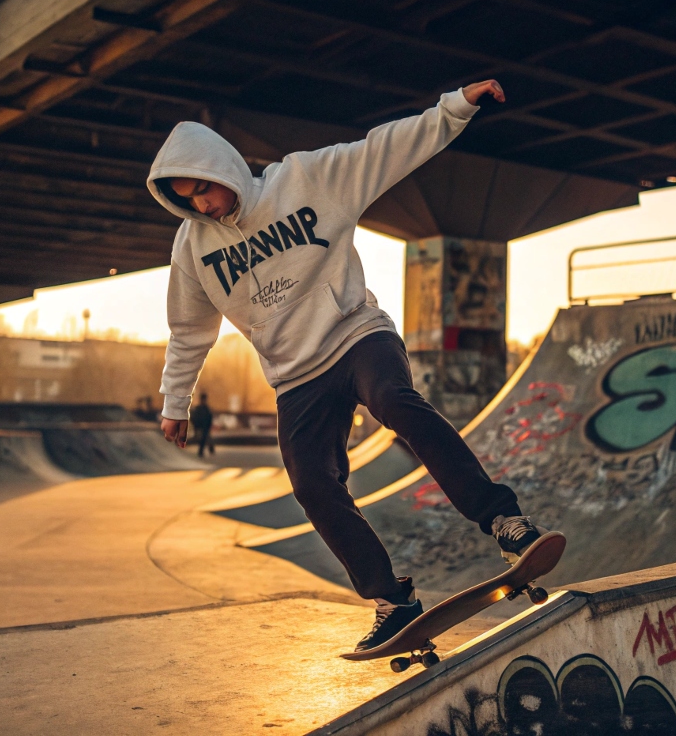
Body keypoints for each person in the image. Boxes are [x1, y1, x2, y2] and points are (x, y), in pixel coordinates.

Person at [150, 80, 546, 653]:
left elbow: (383, 150)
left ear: (223, 167)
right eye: (189, 200)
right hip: (295, 376)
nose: (203, 206)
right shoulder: (192, 248)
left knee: (392, 400)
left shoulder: (305, 180)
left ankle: (504, 522)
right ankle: (393, 599)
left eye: (205, 190)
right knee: (312, 483)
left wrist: (454, 107)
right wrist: (174, 401)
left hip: (357, 334)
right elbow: (190, 330)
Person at [189, 392, 216, 458]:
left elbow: (209, 417)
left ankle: (203, 451)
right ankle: (208, 450)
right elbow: (194, 417)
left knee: (205, 438)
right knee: (205, 438)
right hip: (201, 426)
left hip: (204, 426)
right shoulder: (202, 409)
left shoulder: (204, 409)